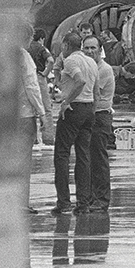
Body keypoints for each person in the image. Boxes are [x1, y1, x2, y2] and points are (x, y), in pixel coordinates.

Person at [53, 32, 99, 215]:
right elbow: (96, 91)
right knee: (83, 156)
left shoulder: (71, 60)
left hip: (74, 109)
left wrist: (66, 102)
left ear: (65, 45)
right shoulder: (92, 62)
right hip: (88, 109)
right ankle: (83, 203)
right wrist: (92, 111)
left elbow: (80, 81)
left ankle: (63, 202)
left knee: (62, 155)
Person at [83, 35, 114, 213]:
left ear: (99, 50)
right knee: (87, 160)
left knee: (99, 159)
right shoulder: (88, 68)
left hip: (100, 116)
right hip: (88, 116)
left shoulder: (103, 69)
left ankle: (101, 199)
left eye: (93, 48)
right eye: (86, 48)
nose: (89, 51)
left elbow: (90, 94)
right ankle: (89, 198)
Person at [18, 29, 46, 213]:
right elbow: (31, 86)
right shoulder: (23, 56)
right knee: (23, 161)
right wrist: (41, 111)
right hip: (24, 116)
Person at [27, 28, 54, 145]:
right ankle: (47, 137)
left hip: (27, 77)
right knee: (46, 108)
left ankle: (33, 139)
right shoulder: (41, 48)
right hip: (39, 77)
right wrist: (46, 73)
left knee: (30, 108)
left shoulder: (26, 47)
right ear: (42, 39)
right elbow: (51, 60)